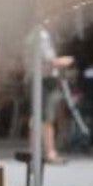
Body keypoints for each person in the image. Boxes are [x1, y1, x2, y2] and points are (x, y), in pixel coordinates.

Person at [24, 18, 74, 164]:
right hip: (43, 80)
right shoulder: (42, 35)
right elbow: (49, 60)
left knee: (36, 116)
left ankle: (33, 150)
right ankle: (50, 152)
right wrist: (66, 60)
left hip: (34, 79)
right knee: (46, 118)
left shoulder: (32, 35)